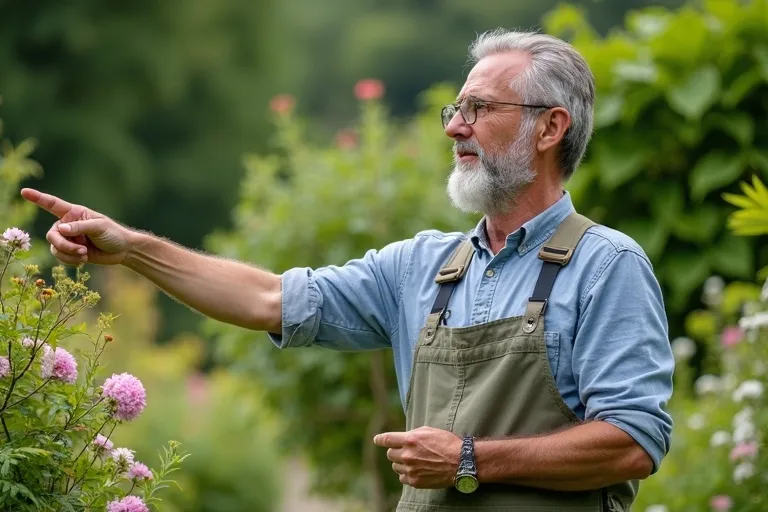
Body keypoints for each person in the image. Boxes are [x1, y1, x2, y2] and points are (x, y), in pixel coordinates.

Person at [22, 29, 673, 512]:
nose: (455, 128)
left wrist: (471, 458)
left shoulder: (605, 267)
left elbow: (632, 440)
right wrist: (132, 248)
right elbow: (268, 299)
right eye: (456, 109)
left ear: (549, 127)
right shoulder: (421, 265)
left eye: (478, 109)